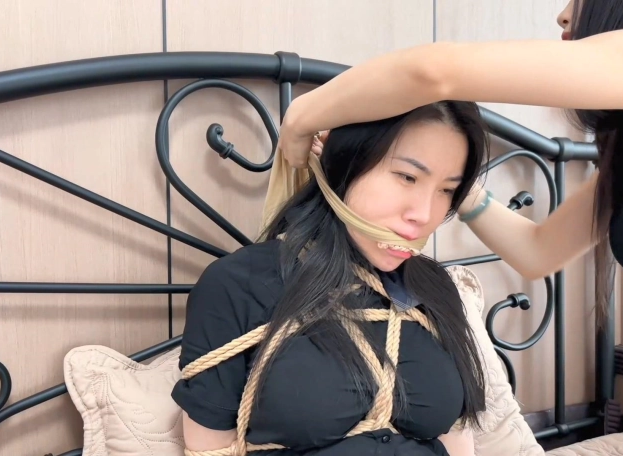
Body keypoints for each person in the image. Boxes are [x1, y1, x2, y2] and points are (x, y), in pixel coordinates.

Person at [275, 1, 623, 455]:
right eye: (406, 177)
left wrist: (300, 118)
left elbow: (433, 72)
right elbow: (537, 251)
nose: (563, 14)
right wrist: (452, 186)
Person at [172, 101, 494, 455]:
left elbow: (456, 438)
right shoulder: (238, 284)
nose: (425, 214)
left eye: (446, 190)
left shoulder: (434, 286)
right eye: (407, 177)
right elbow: (211, 449)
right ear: (345, 162)